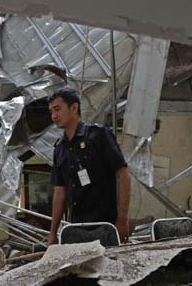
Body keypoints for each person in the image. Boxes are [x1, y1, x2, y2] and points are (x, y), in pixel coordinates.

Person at [45, 87, 130, 246]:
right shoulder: (60, 148)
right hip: (76, 228)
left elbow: (123, 174)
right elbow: (59, 191)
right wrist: (52, 233)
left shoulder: (98, 136)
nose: (54, 116)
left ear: (74, 107)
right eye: (51, 112)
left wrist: (123, 218)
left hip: (105, 226)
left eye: (57, 109)